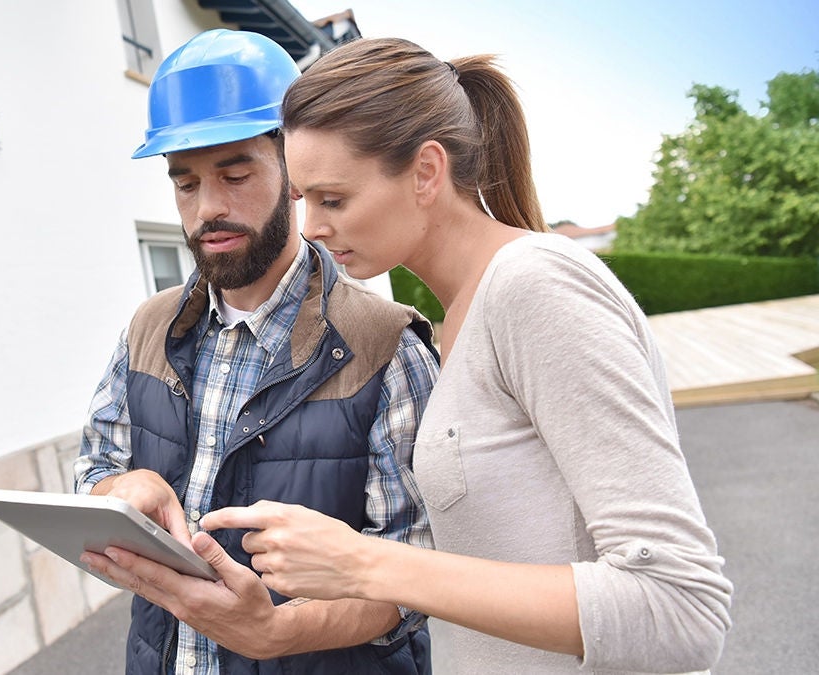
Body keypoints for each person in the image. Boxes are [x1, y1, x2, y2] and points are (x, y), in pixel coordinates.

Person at [202, 37, 734, 674]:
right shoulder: (456, 319)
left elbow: (680, 609)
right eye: (303, 200)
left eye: (334, 199)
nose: (311, 226)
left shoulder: (533, 287)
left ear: (427, 171)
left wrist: (366, 563)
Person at [73, 29, 441, 675]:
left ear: (294, 173)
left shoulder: (386, 348)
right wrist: (116, 487)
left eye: (235, 174)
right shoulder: (146, 329)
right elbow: (95, 466)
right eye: (184, 184)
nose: (208, 207)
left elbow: (416, 574)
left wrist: (276, 630)